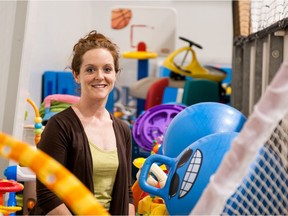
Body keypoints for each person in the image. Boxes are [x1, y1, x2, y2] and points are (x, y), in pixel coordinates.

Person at [30, 30, 135, 215]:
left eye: (107, 69)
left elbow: (127, 193)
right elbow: (48, 194)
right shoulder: (60, 126)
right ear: (76, 75)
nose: (99, 76)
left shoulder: (122, 130)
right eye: (90, 69)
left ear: (115, 75)